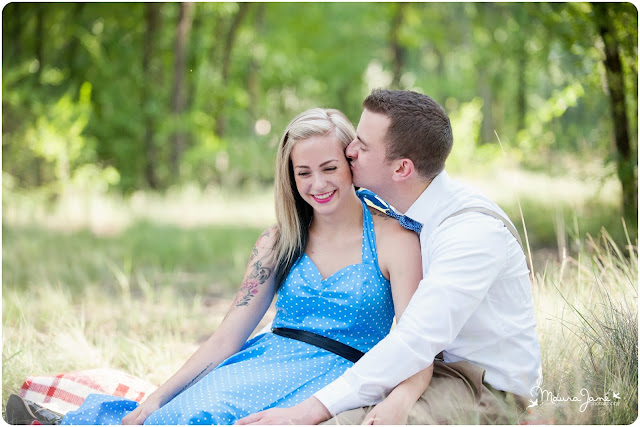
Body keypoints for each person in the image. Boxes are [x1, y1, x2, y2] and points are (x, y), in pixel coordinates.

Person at [44, 108, 427, 425]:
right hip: (261, 367)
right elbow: (227, 337)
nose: (318, 184)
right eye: (303, 173)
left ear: (351, 163)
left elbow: (417, 343)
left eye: (329, 168)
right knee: (192, 416)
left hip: (339, 381)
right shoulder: (277, 242)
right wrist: (157, 398)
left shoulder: (396, 240)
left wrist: (402, 400)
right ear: (290, 178)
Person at [237, 89, 543, 425]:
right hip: (425, 370)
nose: (349, 150)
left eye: (362, 146)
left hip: (485, 389)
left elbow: (416, 339)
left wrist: (307, 412)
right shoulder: (404, 209)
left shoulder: (470, 233)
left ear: (401, 169)